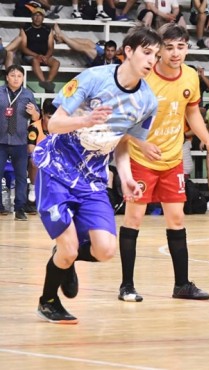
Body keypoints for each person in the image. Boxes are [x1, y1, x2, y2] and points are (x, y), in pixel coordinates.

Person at [34, 26, 162, 324]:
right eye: (146, 53)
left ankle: (65, 259)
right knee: (68, 248)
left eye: (155, 56)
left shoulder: (147, 102)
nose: (151, 61)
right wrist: (85, 120)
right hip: (57, 168)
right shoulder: (93, 78)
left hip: (92, 179)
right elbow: (52, 125)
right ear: (128, 51)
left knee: (105, 250)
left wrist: (126, 176)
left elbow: (122, 142)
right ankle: (48, 301)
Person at [118, 24, 209, 303]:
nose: (176, 53)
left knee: (177, 219)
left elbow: (192, 112)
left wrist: (208, 139)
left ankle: (182, 285)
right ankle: (127, 285)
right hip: (141, 159)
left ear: (187, 48)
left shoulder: (190, 76)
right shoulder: (145, 78)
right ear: (159, 48)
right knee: (134, 220)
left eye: (181, 46)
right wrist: (141, 143)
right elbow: (123, 121)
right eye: (170, 47)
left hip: (172, 159)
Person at [0, 64, 41, 221]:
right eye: (13, 75)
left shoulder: (27, 94)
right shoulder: (0, 92)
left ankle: (20, 208)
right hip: (1, 140)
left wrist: (34, 113)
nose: (16, 78)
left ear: (23, 78)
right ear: (7, 77)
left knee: (21, 177)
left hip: (20, 141)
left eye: (19, 76)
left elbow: (37, 117)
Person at [20, 7, 60, 93]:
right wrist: (37, 55)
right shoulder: (25, 29)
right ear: (32, 17)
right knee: (35, 61)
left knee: (56, 63)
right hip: (30, 56)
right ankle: (43, 82)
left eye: (40, 15)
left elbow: (51, 47)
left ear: (43, 18)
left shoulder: (48, 29)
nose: (37, 18)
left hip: (44, 56)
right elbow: (23, 48)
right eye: (35, 15)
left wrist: (46, 56)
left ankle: (48, 82)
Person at [26, 98, 55, 215]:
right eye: (49, 117)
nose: (51, 121)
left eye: (54, 118)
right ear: (43, 114)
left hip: (55, 159)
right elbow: (30, 149)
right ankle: (33, 188)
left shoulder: (60, 127)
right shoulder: (34, 127)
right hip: (39, 158)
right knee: (34, 161)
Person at [53, 24, 121, 67]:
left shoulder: (117, 62)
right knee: (87, 42)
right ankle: (62, 39)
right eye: (108, 50)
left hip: (98, 62)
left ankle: (63, 38)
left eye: (112, 51)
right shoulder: (103, 56)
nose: (110, 53)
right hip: (102, 57)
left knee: (86, 48)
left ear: (115, 52)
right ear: (104, 50)